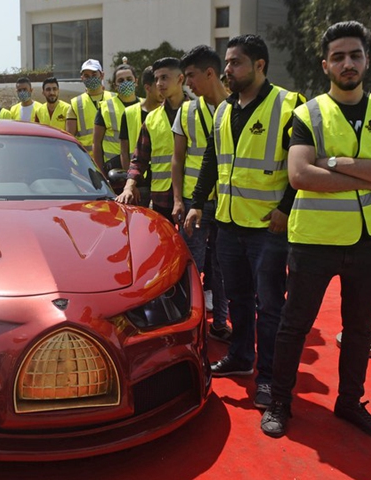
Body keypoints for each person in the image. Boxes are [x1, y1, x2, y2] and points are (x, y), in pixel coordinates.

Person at [262, 21, 371, 440]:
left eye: (356, 55)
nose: (348, 63)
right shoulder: (308, 113)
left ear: (366, 60)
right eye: (339, 56)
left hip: (370, 242)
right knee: (295, 326)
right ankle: (280, 402)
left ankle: (349, 403)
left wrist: (337, 163)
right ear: (325, 64)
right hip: (314, 240)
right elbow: (299, 175)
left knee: (361, 328)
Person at [184, 35, 303, 410]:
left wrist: (286, 207)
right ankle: (240, 357)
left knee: (269, 306)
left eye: (235, 63)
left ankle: (267, 376)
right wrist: (198, 203)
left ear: (260, 65)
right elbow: (211, 161)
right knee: (237, 297)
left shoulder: (288, 105)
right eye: (227, 64)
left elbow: (302, 163)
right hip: (229, 224)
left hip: (268, 229)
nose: (228, 71)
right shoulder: (223, 110)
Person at [171, 45, 231, 343]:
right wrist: (179, 199)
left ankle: (220, 323)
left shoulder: (237, 108)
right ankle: (191, 327)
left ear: (210, 73)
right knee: (189, 266)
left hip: (229, 206)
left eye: (191, 76)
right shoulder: (186, 111)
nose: (188, 83)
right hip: (197, 205)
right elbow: (177, 159)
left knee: (221, 269)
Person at [116, 57, 186, 219]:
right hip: (161, 197)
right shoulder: (152, 118)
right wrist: (129, 186)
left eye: (164, 78)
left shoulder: (196, 113)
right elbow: (139, 159)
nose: (160, 83)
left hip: (191, 197)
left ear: (180, 79)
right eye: (156, 79)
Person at [119, 65, 163, 207]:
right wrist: (131, 183)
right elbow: (124, 152)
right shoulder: (129, 113)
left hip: (163, 182)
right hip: (139, 182)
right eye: (158, 85)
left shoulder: (168, 112)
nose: (163, 89)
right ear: (148, 87)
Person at [92, 64, 140, 173]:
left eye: (129, 79)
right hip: (114, 169)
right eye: (121, 80)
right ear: (115, 85)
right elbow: (96, 143)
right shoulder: (105, 108)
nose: (125, 82)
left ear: (136, 82)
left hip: (140, 166)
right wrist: (100, 173)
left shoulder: (145, 105)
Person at [67, 59, 114, 153]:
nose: (91, 78)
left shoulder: (114, 99)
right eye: (87, 76)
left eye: (94, 74)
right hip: (87, 161)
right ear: (82, 78)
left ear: (102, 75)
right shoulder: (75, 104)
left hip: (112, 159)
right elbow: (69, 138)